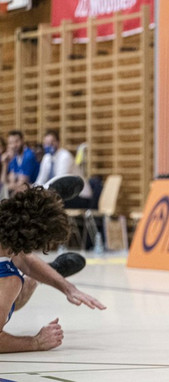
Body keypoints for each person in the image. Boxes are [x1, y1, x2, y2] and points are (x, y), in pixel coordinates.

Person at [0, 184, 106, 352]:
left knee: (19, 282)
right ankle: (37, 277)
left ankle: (40, 275)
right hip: (10, 277)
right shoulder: (9, 280)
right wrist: (36, 342)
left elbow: (25, 261)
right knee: (17, 292)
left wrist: (68, 288)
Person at [34, 130, 93, 209]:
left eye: (52, 142)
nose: (49, 145)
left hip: (80, 196)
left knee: (49, 204)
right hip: (65, 195)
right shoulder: (46, 158)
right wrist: (32, 191)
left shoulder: (65, 156)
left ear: (58, 142)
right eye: (46, 143)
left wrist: (42, 190)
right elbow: (40, 180)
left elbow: (58, 181)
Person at [2, 131, 40, 195]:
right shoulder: (15, 157)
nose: (14, 145)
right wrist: (4, 164)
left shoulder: (29, 155)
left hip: (35, 190)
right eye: (11, 143)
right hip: (22, 190)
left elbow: (23, 182)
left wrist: (7, 186)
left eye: (16, 141)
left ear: (22, 140)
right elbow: (5, 181)